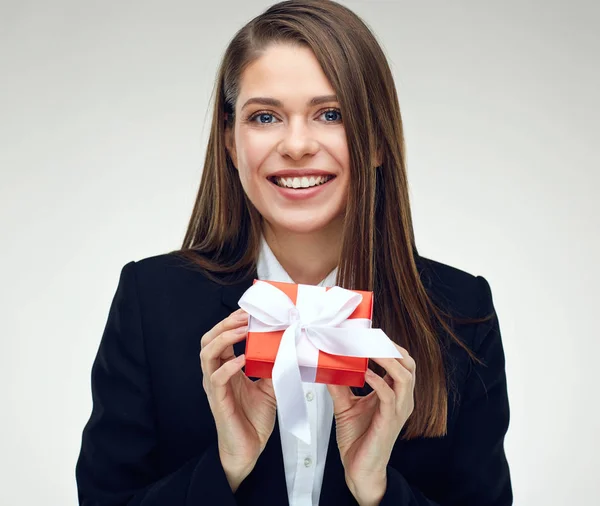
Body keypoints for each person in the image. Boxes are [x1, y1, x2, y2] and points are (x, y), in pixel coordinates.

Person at [75, 1, 512, 504]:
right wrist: (225, 466)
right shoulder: (150, 301)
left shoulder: (461, 312)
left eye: (331, 114)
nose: (297, 144)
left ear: (376, 142)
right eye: (265, 116)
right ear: (231, 143)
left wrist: (378, 488)